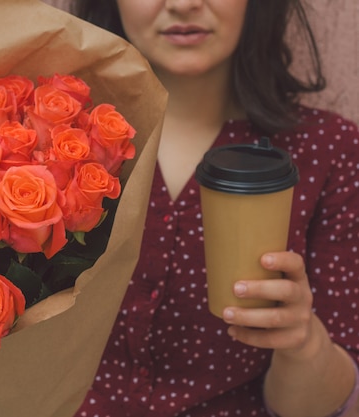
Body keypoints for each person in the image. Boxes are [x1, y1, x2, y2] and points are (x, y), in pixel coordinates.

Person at [68, 1, 359, 416]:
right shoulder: (51, 141)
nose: (184, 3)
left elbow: (328, 400)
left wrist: (302, 342)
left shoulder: (328, 151)